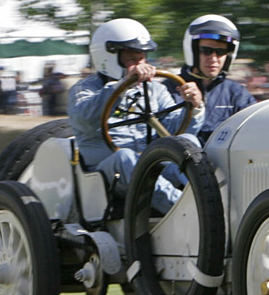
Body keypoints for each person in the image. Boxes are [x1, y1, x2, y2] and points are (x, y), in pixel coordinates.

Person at [68, 18, 204, 213]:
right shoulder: (84, 89)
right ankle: (185, 210)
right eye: (132, 60)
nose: (141, 66)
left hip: (151, 163)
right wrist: (122, 86)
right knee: (125, 157)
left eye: (142, 59)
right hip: (106, 176)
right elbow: (84, 119)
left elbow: (175, 131)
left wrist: (195, 105)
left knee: (187, 140)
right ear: (109, 58)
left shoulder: (155, 90)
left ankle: (204, 197)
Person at [163, 15, 256, 144]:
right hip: (180, 160)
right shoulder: (167, 89)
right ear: (193, 51)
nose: (213, 59)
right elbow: (162, 136)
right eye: (206, 51)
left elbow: (254, 130)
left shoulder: (237, 93)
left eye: (220, 52)